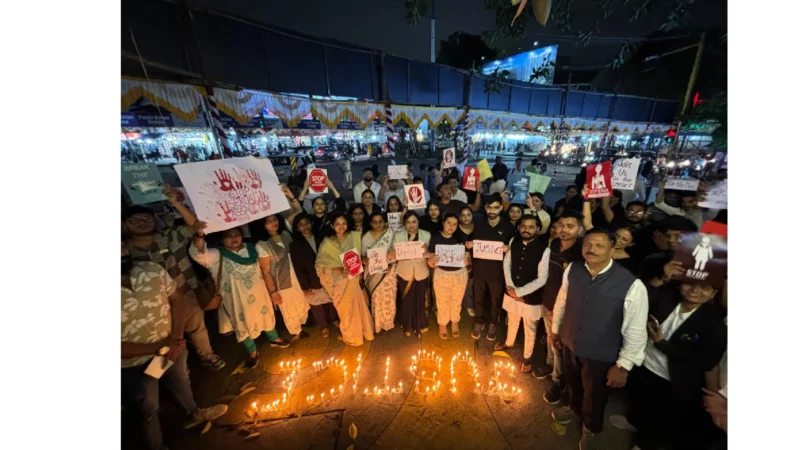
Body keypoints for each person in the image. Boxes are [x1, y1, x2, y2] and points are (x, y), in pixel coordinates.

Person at [550, 228, 648, 450]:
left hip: (601, 353)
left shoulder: (631, 284)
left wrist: (624, 365)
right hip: (570, 341)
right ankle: (573, 410)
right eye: (587, 244)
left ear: (613, 249)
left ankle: (591, 429)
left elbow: (635, 329)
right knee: (572, 383)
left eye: (599, 245)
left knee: (594, 396)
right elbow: (562, 300)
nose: (591, 249)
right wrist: (555, 330)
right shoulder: (573, 269)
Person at [121, 248, 228, 450]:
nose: (121, 251)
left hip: (169, 348)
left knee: (179, 380)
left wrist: (176, 337)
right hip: (133, 364)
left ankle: (193, 413)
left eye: (122, 244)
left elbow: (178, 300)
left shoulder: (151, 270)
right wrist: (158, 347)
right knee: (147, 407)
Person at [123, 191, 226, 371]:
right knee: (158, 339)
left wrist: (176, 203)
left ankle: (207, 356)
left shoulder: (169, 237)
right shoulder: (124, 250)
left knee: (197, 328)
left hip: (185, 294)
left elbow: (196, 226)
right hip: (152, 305)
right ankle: (165, 373)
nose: (142, 223)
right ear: (124, 225)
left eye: (147, 219)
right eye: (135, 220)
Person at [627, 280, 727, 450]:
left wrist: (662, 344)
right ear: (680, 285)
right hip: (645, 366)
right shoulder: (667, 298)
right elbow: (637, 296)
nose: (696, 290)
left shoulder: (715, 323)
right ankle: (638, 428)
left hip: (672, 381)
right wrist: (663, 276)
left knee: (661, 422)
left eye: (705, 287)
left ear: (714, 293)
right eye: (690, 284)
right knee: (642, 407)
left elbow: (706, 361)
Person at [190, 226, 291, 369]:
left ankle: (274, 338)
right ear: (221, 239)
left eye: (237, 234)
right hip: (236, 300)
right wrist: (200, 236)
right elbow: (200, 255)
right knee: (242, 324)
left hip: (259, 294)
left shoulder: (252, 249)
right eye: (229, 235)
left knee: (266, 316)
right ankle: (252, 352)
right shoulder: (218, 255)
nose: (234, 238)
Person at [494, 215, 550, 373]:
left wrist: (519, 292)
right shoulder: (514, 241)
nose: (526, 229)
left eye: (531, 226)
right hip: (511, 289)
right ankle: (509, 342)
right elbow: (507, 264)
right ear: (518, 227)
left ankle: (527, 356)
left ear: (538, 229)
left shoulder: (544, 249)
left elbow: (542, 278)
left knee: (529, 327)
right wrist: (511, 287)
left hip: (530, 296)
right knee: (512, 318)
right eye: (523, 226)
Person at [315, 213, 375, 346]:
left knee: (359, 307)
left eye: (344, 223)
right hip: (338, 282)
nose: (341, 227)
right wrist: (339, 269)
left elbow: (357, 257)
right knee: (345, 311)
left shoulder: (354, 237)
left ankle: (365, 332)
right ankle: (352, 337)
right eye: (337, 224)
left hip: (353, 280)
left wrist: (363, 260)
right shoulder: (327, 242)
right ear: (332, 226)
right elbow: (320, 266)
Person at [256, 214, 312, 343]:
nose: (273, 223)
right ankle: (296, 331)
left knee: (302, 303)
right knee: (289, 309)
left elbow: (298, 211)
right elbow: (265, 270)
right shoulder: (262, 245)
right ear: (263, 225)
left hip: (297, 276)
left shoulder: (286, 234)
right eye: (268, 221)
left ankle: (301, 325)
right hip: (282, 282)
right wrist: (273, 292)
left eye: (275, 219)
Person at [469, 193, 515, 341]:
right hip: (480, 268)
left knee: (496, 300)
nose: (492, 211)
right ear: (485, 208)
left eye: (496, 207)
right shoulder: (479, 223)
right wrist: (470, 245)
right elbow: (474, 243)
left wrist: (509, 249)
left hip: (498, 271)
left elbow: (513, 247)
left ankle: (493, 323)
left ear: (501, 208)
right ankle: (479, 322)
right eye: (489, 207)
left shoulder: (507, 227)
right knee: (478, 298)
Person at [289, 214, 339, 339]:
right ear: (297, 228)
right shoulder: (294, 245)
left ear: (311, 224)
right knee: (316, 305)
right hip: (310, 279)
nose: (305, 226)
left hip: (326, 275)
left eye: (307, 223)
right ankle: (323, 325)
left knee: (330, 299)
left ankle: (333, 320)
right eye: (301, 225)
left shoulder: (322, 238)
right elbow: (297, 268)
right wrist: (304, 286)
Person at [427, 213, 470, 339]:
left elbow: (467, 257)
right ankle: (442, 323)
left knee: (457, 299)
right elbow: (431, 261)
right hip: (442, 274)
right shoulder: (435, 238)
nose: (451, 226)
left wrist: (467, 260)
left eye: (454, 224)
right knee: (442, 300)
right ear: (443, 222)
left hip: (459, 274)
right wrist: (431, 260)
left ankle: (455, 321)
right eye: (448, 223)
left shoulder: (461, 237)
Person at [393, 211, 431, 337]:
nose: (411, 225)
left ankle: (421, 325)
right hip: (404, 271)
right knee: (407, 300)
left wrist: (427, 252)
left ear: (418, 222)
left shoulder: (426, 235)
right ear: (404, 224)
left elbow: (431, 256)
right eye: (408, 222)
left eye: (414, 222)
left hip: (421, 271)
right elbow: (394, 254)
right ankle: (407, 325)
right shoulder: (398, 235)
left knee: (420, 300)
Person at [362, 212, 398, 334]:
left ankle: (387, 323)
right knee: (376, 298)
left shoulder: (390, 234)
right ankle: (377, 324)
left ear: (384, 222)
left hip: (389, 271)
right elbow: (362, 255)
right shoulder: (366, 237)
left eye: (380, 221)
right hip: (373, 271)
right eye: (375, 222)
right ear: (371, 223)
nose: (378, 224)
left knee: (389, 298)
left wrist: (390, 265)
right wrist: (365, 259)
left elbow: (396, 252)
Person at [456, 205, 476, 318]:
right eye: (463, 215)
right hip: (459, 260)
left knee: (471, 283)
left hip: (475, 260)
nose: (466, 218)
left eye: (468, 215)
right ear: (459, 217)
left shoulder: (477, 228)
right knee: (459, 283)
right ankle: (457, 305)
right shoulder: (455, 228)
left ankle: (468, 305)